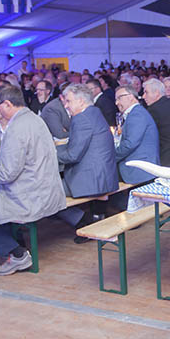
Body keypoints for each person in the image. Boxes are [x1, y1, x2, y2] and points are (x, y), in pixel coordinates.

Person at [0, 84, 67, 276]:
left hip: (29, 197)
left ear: (8, 104)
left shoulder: (16, 128)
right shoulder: (35, 119)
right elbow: (27, 158)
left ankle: (17, 254)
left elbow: (6, 175)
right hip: (47, 189)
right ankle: (17, 245)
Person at [56, 84, 119, 238]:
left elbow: (72, 155)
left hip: (92, 179)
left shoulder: (81, 118)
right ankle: (90, 219)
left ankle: (83, 222)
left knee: (48, 191)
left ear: (81, 102)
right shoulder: (94, 112)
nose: (66, 105)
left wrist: (50, 152)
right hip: (103, 175)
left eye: (69, 101)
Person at [113, 85, 159, 184]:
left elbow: (130, 144)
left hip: (140, 172)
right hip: (140, 171)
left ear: (130, 97)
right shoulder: (136, 113)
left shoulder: (137, 114)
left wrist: (111, 156)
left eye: (119, 98)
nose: (116, 103)